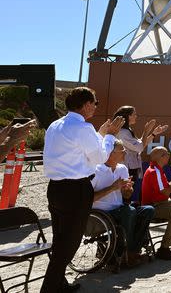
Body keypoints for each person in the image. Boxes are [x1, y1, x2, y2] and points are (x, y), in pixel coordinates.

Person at [42, 87, 124, 292]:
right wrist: (110, 136)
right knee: (69, 243)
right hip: (76, 189)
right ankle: (50, 288)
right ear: (87, 104)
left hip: (55, 188)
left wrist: (101, 133)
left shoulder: (55, 125)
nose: (96, 107)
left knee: (60, 239)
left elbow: (82, 149)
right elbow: (99, 157)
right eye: (95, 103)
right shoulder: (83, 128)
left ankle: (58, 283)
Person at [91, 140, 155, 267]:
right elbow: (88, 199)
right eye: (122, 151)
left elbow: (126, 196)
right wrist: (113, 187)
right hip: (101, 213)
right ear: (110, 153)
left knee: (148, 210)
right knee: (129, 211)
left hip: (119, 209)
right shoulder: (95, 170)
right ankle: (128, 254)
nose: (125, 153)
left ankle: (132, 252)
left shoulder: (122, 168)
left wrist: (127, 190)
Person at [113, 106, 168, 181]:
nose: (136, 116)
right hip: (126, 168)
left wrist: (154, 134)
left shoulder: (126, 130)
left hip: (131, 168)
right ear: (128, 116)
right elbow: (140, 147)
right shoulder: (122, 132)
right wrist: (146, 131)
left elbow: (140, 145)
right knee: (125, 191)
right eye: (134, 114)